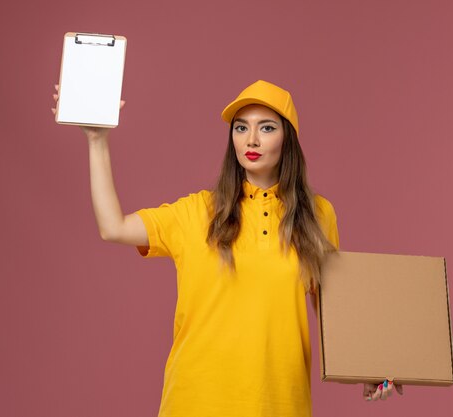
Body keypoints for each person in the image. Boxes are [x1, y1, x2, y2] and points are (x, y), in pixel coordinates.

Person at [51, 80, 403, 416]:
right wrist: (97, 140)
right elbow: (113, 227)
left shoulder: (318, 215)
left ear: (288, 139)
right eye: (240, 127)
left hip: (279, 405)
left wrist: (371, 368)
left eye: (266, 128)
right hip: (195, 403)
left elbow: (333, 312)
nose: (251, 138)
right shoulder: (197, 211)